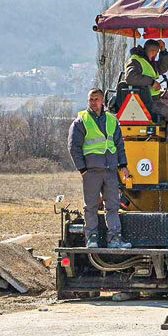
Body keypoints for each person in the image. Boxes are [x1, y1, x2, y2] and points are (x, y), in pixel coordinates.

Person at [68, 88, 132, 249]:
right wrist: (82, 169)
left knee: (113, 206)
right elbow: (73, 147)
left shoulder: (112, 121)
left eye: (96, 99)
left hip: (110, 171)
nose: (93, 103)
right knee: (90, 206)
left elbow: (119, 145)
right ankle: (92, 239)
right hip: (91, 171)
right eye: (91, 100)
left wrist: (123, 166)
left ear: (103, 101)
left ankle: (115, 239)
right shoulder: (81, 121)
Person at [124, 38, 168, 160]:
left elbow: (162, 68)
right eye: (157, 53)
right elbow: (131, 78)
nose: (157, 55)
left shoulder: (149, 62)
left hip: (151, 99)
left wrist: (164, 52)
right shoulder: (136, 61)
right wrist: (152, 82)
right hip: (146, 102)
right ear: (153, 51)